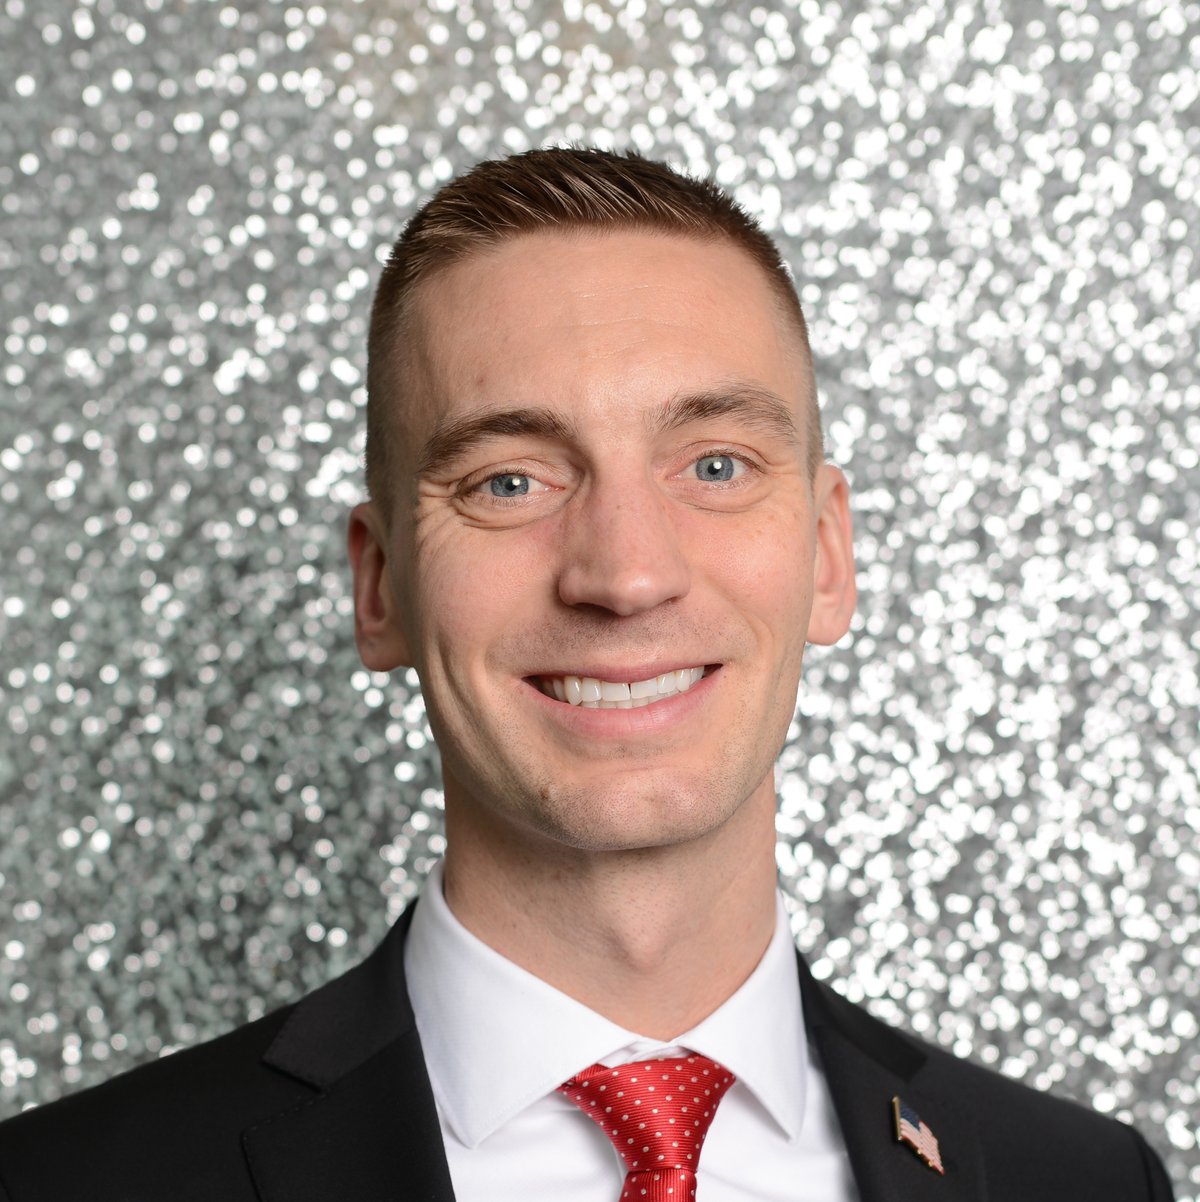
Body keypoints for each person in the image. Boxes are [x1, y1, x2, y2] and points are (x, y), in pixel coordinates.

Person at [0, 148, 1173, 1202]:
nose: (626, 574)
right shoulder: (63, 1183)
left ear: (827, 555)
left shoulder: (1083, 1181)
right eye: (510, 480)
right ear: (380, 585)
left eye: (715, 464)